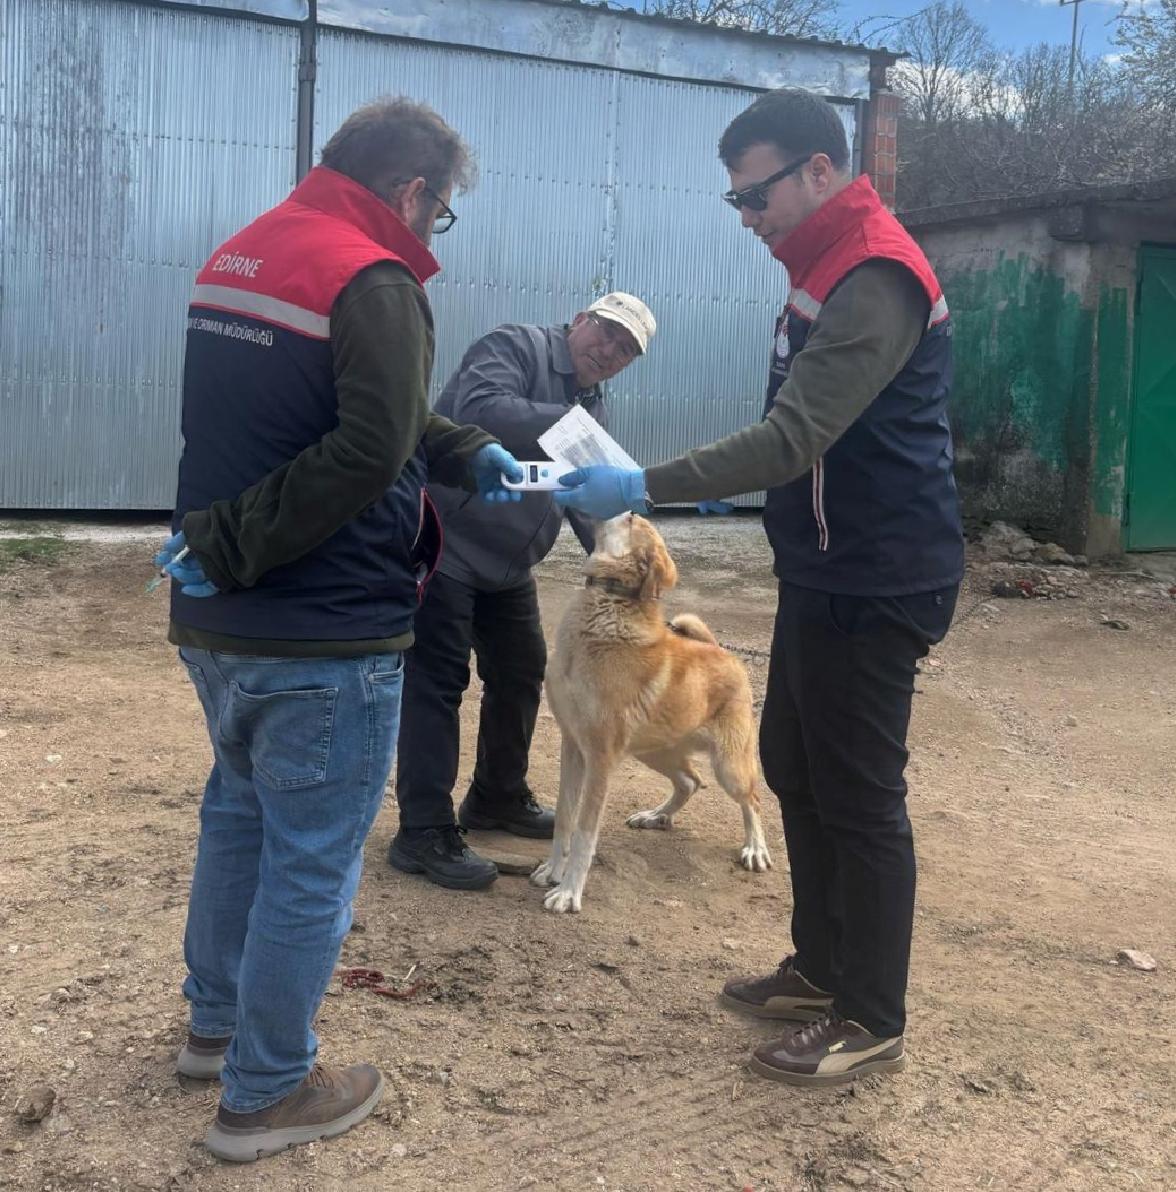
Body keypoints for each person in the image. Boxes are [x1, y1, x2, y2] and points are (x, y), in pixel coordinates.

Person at [553, 88, 964, 1087]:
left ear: (820, 171)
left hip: (881, 574)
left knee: (859, 794)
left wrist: (641, 485)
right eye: (734, 199)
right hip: (824, 565)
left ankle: (871, 1016)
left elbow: (792, 439)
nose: (745, 217)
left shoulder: (874, 274)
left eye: (754, 194)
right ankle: (820, 969)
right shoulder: (820, 267)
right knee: (793, 763)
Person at [153, 98, 524, 1162]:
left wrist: (463, 448)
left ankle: (214, 1028)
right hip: (322, 629)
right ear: (412, 190)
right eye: (439, 211)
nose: (434, 230)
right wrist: (237, 541)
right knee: (312, 860)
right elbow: (367, 447)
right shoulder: (376, 278)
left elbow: (342, 406)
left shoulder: (246, 253)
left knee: (237, 816)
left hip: (219, 622)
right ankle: (268, 1091)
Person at [388, 293, 656, 890]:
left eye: (625, 350)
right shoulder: (515, 346)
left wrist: (623, 560)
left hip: (510, 566)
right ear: (580, 320)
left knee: (522, 671)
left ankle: (497, 796)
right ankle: (422, 830)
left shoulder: (592, 406)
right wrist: (578, 429)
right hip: (448, 545)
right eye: (606, 332)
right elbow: (482, 408)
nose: (609, 351)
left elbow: (583, 498)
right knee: (437, 683)